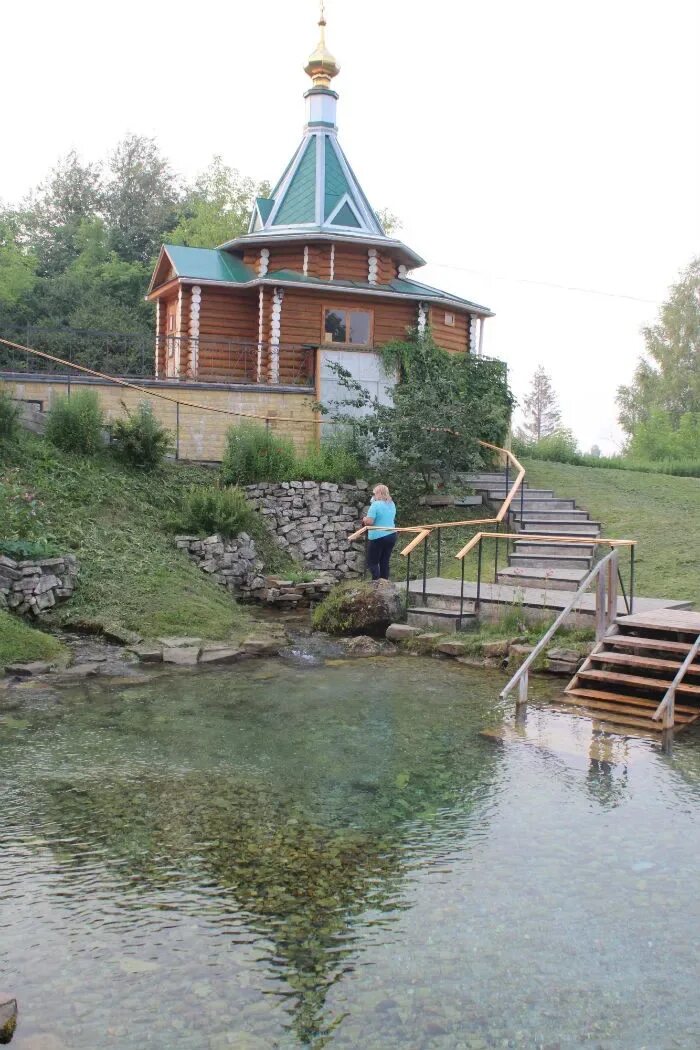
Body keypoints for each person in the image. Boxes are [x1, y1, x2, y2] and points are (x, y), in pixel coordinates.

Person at [363, 484, 397, 581]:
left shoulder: (375, 504)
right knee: (384, 561)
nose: (373, 496)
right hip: (391, 534)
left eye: (374, 493)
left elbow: (370, 521)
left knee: (372, 562)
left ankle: (376, 582)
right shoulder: (391, 504)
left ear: (378, 493)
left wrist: (365, 519)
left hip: (378, 536)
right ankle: (384, 583)